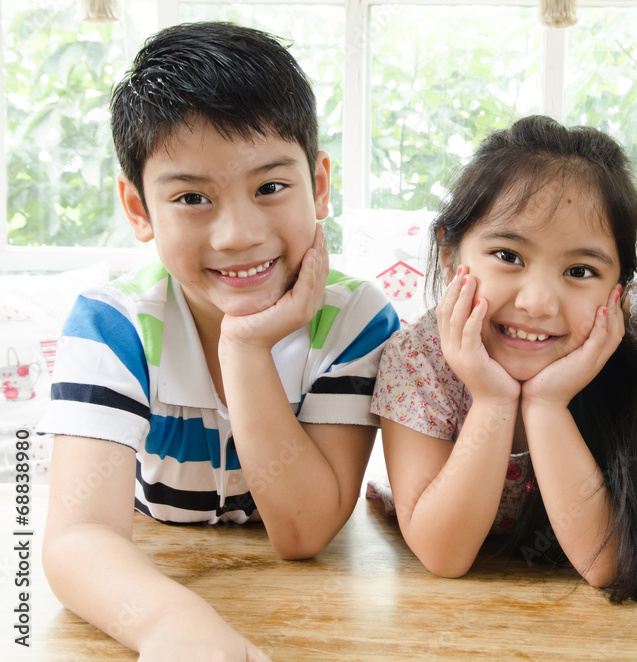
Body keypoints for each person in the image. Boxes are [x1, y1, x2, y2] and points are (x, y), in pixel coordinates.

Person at [38, 22, 398, 659]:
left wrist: (246, 349)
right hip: (151, 567)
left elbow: (302, 532)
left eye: (270, 187)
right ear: (138, 208)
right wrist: (168, 626)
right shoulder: (111, 324)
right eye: (193, 197)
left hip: (306, 606)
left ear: (318, 185)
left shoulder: (355, 320)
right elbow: (79, 536)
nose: (237, 234)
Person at [369, 115, 637, 603]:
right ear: (451, 256)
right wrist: (493, 400)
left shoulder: (635, 358)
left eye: (580, 270)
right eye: (509, 256)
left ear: (618, 291)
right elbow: (444, 556)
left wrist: (546, 405)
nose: (538, 302)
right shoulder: (418, 361)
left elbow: (606, 564)